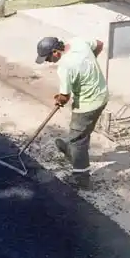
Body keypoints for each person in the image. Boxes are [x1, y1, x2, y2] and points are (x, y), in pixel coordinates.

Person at [35, 36, 109, 190]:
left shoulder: (65, 67)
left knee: (78, 140)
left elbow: (65, 96)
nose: (47, 61)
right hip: (102, 94)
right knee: (82, 132)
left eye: (48, 57)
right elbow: (99, 44)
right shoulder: (79, 42)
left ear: (55, 52)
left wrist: (59, 100)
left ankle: (81, 178)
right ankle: (71, 149)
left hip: (88, 104)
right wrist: (90, 62)